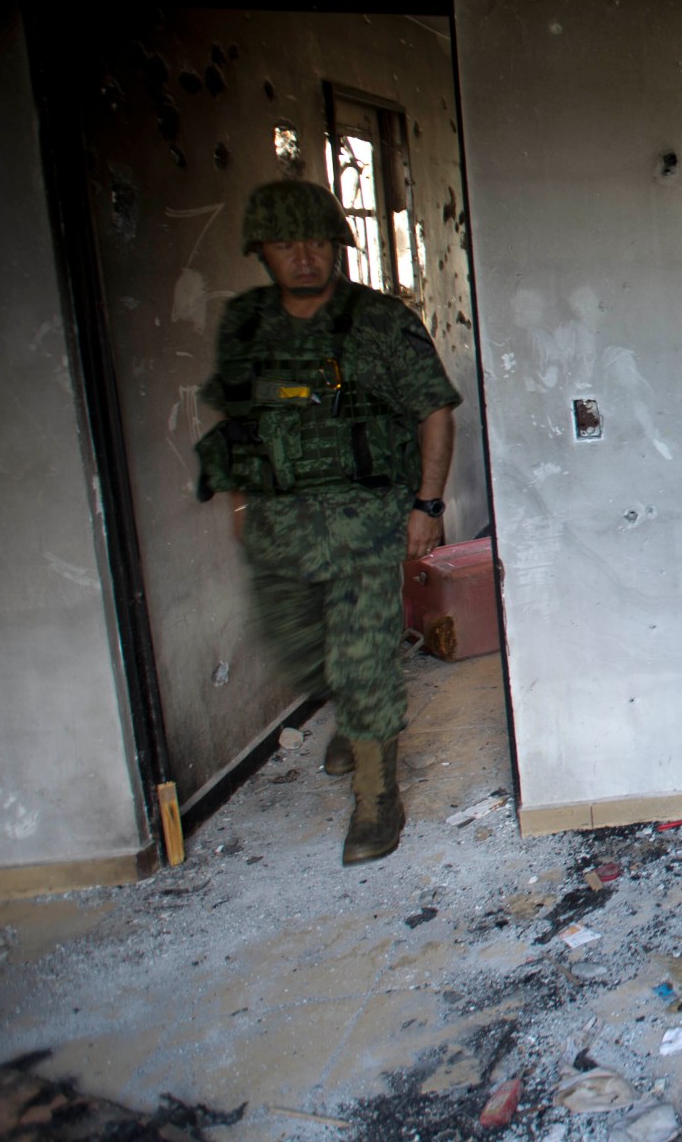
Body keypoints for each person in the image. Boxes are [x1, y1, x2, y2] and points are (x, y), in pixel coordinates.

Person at [196, 179, 460, 865]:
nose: (304, 257)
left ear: (336, 246)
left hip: (364, 521)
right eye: (287, 244)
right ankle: (350, 706)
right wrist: (240, 505)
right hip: (281, 523)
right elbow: (234, 421)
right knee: (300, 649)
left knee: (363, 653)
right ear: (263, 251)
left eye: (316, 241)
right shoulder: (246, 325)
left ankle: (377, 801)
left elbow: (434, 409)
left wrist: (426, 505)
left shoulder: (380, 321)